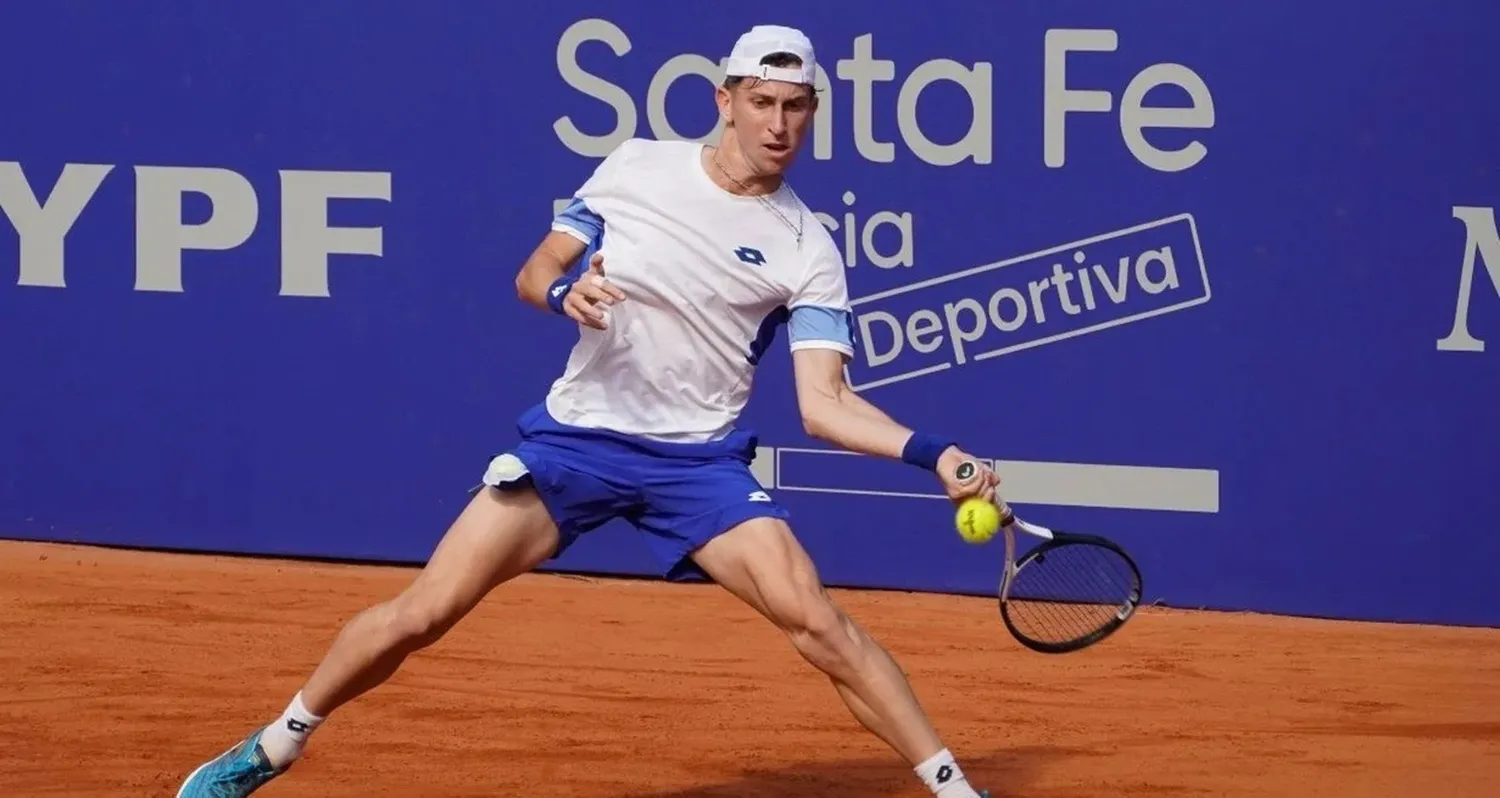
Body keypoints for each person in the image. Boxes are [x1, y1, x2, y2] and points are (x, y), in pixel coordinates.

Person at [176, 23, 1002, 798]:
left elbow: (825, 406)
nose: (777, 124)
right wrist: (568, 292)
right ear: (725, 101)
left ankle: (952, 787)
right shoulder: (635, 169)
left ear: (814, 114)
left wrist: (939, 454)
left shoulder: (807, 248)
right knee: (424, 611)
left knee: (819, 623)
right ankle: (273, 745)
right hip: (577, 443)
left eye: (795, 107)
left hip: (697, 466)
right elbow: (533, 274)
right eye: (761, 102)